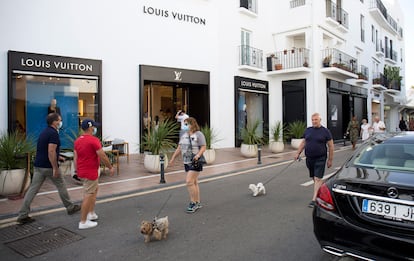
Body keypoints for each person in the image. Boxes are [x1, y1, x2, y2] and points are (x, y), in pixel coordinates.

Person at [17, 113, 81, 224]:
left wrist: (58, 156)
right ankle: (70, 207)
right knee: (61, 185)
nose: (61, 122)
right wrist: (55, 168)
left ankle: (23, 214)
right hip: (49, 167)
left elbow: (46, 150)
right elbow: (50, 151)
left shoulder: (44, 132)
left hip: (39, 166)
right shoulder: (53, 134)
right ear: (54, 122)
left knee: (33, 190)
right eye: (59, 120)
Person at [74, 119, 114, 229]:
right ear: (90, 128)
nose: (95, 129)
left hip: (82, 170)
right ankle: (83, 221)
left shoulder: (78, 141)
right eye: (94, 127)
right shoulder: (93, 140)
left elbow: (75, 157)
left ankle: (91, 213)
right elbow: (102, 156)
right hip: (90, 171)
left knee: (93, 190)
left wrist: (76, 170)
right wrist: (110, 167)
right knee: (88, 194)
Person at [294, 113, 334, 208]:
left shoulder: (325, 131)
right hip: (309, 158)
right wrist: (297, 153)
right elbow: (304, 142)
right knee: (314, 177)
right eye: (313, 120)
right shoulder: (308, 130)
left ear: (320, 120)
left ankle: (314, 199)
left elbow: (331, 146)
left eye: (316, 120)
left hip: (320, 158)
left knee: (317, 178)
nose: (314, 121)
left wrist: (330, 160)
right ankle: (320, 189)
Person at [169, 117, 206, 213]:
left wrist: (198, 155)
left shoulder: (198, 134)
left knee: (189, 181)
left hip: (195, 161)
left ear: (192, 124)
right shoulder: (183, 135)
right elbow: (179, 148)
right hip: (186, 161)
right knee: (194, 182)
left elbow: (203, 146)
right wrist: (173, 158)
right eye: (184, 124)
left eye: (186, 124)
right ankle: (197, 202)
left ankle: (193, 202)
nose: (184, 126)